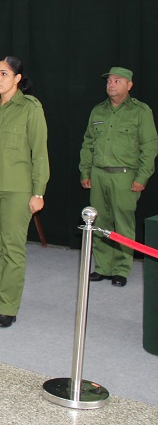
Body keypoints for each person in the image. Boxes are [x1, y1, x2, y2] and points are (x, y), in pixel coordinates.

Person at [0, 56, 49, 328]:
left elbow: (39, 153)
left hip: (17, 189)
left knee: (13, 248)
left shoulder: (30, 108)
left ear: (17, 79)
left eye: (4, 74)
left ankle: (9, 307)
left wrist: (38, 191)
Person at [79, 67, 158, 288]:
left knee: (123, 223)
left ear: (129, 85)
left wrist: (142, 177)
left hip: (125, 175)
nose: (111, 84)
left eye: (117, 81)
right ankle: (103, 266)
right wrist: (85, 170)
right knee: (99, 221)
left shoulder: (141, 112)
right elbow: (88, 144)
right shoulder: (98, 111)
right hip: (98, 174)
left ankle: (122, 269)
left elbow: (149, 147)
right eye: (109, 81)